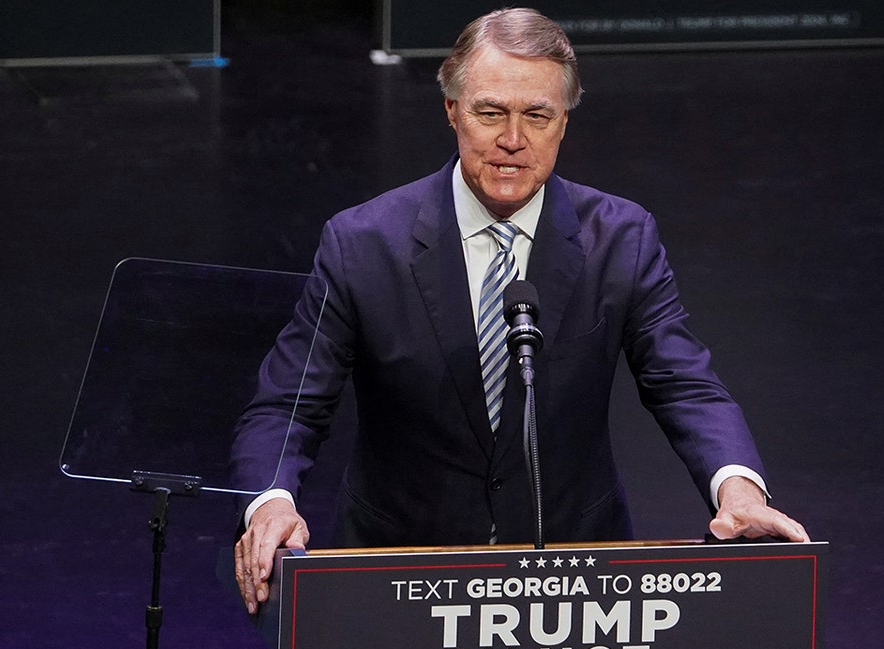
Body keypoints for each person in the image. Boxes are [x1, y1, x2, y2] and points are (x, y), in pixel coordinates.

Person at [231, 7, 808, 616]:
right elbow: (287, 403)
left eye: (537, 116)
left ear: (563, 122)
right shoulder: (364, 242)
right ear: (451, 110)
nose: (514, 139)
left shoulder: (621, 238)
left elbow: (684, 383)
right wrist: (270, 501)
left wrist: (737, 485)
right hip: (401, 572)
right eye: (491, 113)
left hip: (574, 577)